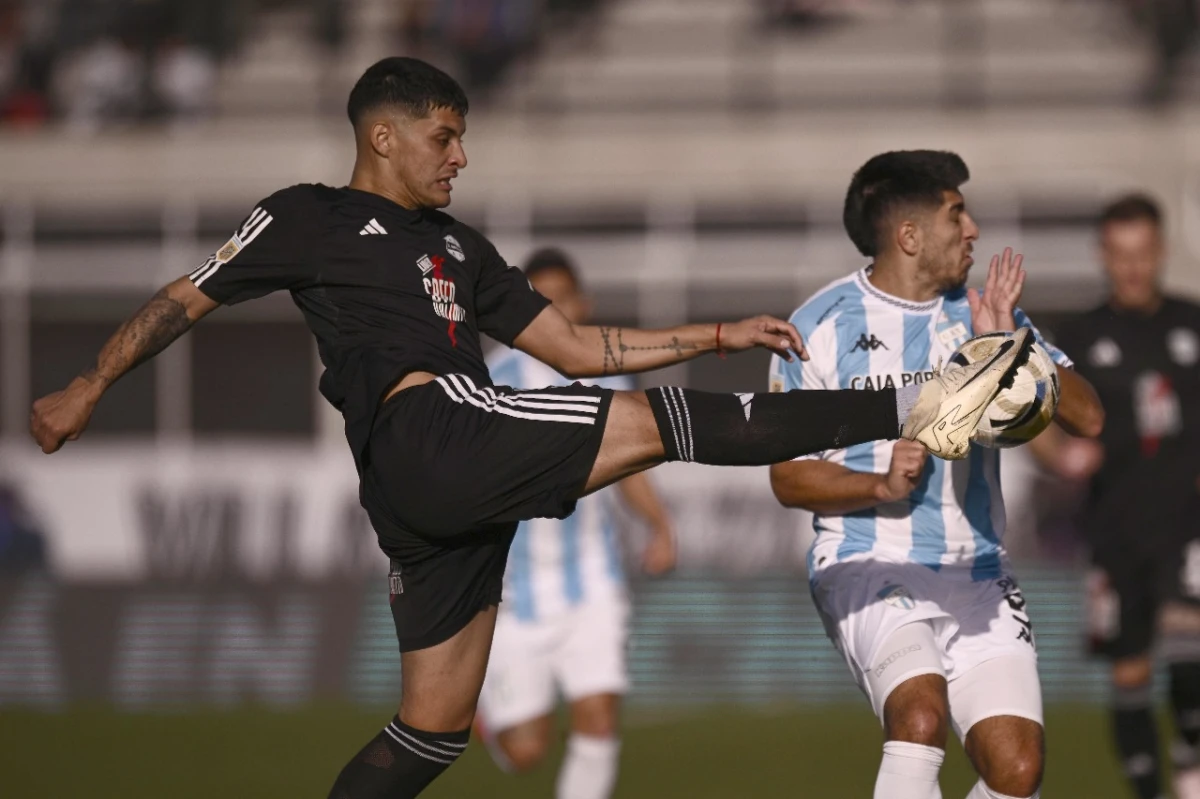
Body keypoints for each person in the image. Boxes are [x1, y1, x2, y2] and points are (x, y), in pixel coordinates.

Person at [28, 59, 1030, 799]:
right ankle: (924, 399)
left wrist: (716, 332)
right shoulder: (306, 216)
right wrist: (87, 382)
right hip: (432, 429)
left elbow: (578, 348)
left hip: (437, 495)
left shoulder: (461, 247)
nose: (460, 157)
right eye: (443, 138)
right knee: (675, 425)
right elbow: (186, 295)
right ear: (383, 136)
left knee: (431, 730)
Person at [769, 150, 1105, 799]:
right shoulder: (817, 327)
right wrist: (878, 485)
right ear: (910, 235)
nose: (973, 229)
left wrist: (1009, 349)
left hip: (977, 571)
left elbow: (1088, 417)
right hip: (869, 560)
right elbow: (787, 478)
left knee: (1017, 772)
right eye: (957, 215)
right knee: (919, 719)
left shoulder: (983, 312)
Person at [474, 247, 675, 799]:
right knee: (526, 752)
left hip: (592, 578)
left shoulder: (610, 371)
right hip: (515, 593)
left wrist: (660, 525)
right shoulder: (493, 375)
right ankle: (490, 713)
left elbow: (630, 464)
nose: (554, 309)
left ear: (582, 303)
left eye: (562, 298)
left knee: (599, 721)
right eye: (541, 299)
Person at [1031, 194, 1200, 799]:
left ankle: (1189, 763)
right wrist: (1059, 455)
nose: (1132, 267)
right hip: (1116, 530)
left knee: (1189, 653)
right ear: (1103, 255)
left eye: (1142, 253)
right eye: (1120, 254)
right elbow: (1036, 417)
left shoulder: (1192, 322)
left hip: (1188, 524)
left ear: (1160, 251)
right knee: (1130, 674)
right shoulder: (1080, 337)